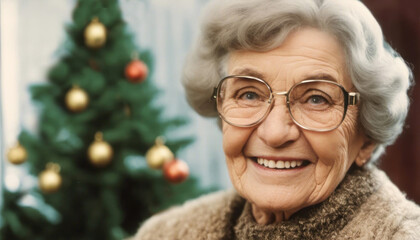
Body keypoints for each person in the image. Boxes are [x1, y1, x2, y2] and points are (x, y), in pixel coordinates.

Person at [133, 0, 420, 239]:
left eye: (316, 99)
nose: (274, 133)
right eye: (248, 95)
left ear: (366, 138)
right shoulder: (167, 234)